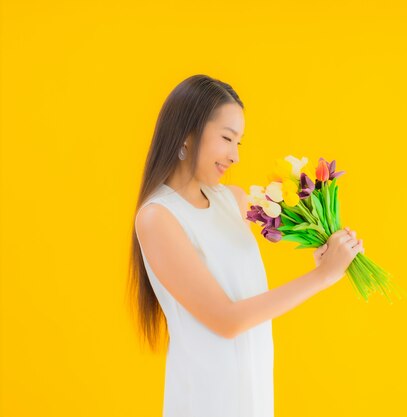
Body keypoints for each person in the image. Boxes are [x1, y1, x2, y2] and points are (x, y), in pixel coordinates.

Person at [127, 74, 365, 417]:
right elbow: (226, 319)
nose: (235, 156)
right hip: (206, 402)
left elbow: (247, 297)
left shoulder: (233, 201)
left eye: (239, 142)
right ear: (187, 133)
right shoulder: (157, 217)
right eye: (227, 138)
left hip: (253, 397)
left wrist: (324, 256)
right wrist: (321, 278)